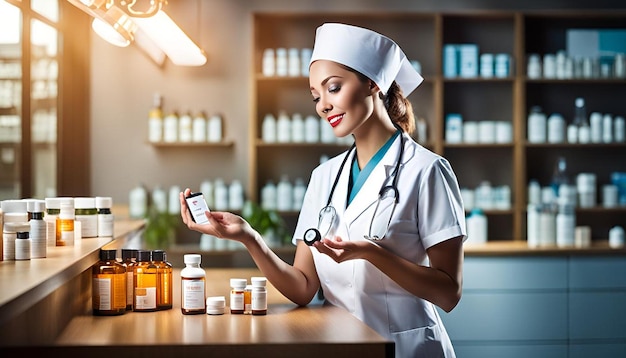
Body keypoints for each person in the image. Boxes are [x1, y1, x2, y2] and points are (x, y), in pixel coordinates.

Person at [179, 23, 466, 357]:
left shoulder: (427, 170)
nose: (322, 106)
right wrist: (248, 237)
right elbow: (303, 287)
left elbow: (448, 293)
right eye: (316, 96)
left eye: (333, 88)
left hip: (406, 348)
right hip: (338, 346)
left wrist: (371, 253)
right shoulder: (324, 177)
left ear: (373, 82)